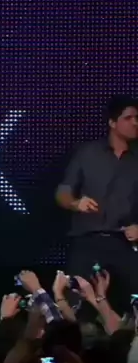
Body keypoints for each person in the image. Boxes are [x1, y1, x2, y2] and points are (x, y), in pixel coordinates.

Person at [55, 96, 138, 307]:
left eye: (137, 118)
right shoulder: (88, 153)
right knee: (78, 304)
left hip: (126, 244)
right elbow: (63, 191)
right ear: (112, 122)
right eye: (128, 118)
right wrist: (75, 204)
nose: (135, 123)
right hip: (88, 242)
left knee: (132, 303)